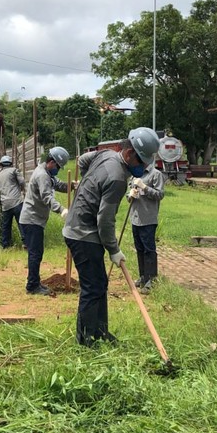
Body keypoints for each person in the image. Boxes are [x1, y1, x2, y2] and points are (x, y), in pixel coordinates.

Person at [62, 127, 160, 346]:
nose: (144, 167)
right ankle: (86, 340)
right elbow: (105, 221)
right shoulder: (116, 179)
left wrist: (88, 185)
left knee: (99, 284)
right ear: (128, 154)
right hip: (83, 234)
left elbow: (83, 160)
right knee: (93, 287)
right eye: (141, 162)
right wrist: (114, 250)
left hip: (83, 230)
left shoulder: (105, 153)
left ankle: (100, 331)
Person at [19, 146, 70, 296]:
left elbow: (58, 184)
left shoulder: (47, 173)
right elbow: (47, 197)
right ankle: (32, 286)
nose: (58, 170)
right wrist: (61, 209)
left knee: (36, 253)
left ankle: (34, 282)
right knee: (35, 254)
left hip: (34, 220)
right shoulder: (42, 175)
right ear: (52, 162)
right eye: (58, 167)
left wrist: (72, 186)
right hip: (31, 220)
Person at [127, 159, 165, 293]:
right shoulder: (134, 174)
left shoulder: (156, 174)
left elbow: (160, 194)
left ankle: (151, 280)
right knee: (139, 249)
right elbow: (129, 194)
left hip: (148, 219)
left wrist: (144, 187)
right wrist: (130, 195)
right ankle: (143, 276)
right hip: (135, 218)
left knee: (149, 250)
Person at [0, 154, 25, 248]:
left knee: (6, 226)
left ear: (1, 165)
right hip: (17, 202)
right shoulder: (14, 170)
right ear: (10, 163)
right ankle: (26, 243)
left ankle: (5, 245)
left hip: (5, 205)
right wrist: (22, 190)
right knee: (21, 223)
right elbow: (22, 182)